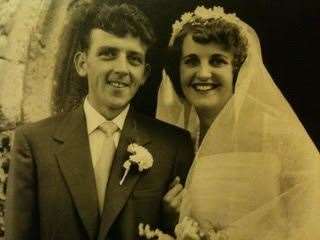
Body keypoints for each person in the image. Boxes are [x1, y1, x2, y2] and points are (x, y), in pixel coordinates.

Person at [5, 3, 194, 240]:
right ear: (82, 64)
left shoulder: (173, 146)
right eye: (108, 54)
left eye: (133, 59)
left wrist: (172, 219)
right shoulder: (34, 142)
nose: (122, 69)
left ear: (144, 74)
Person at [141, 5, 320, 240]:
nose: (203, 74)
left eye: (217, 61)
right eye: (192, 61)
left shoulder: (277, 134)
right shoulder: (173, 138)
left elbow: (309, 223)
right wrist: (171, 220)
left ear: (236, 69)